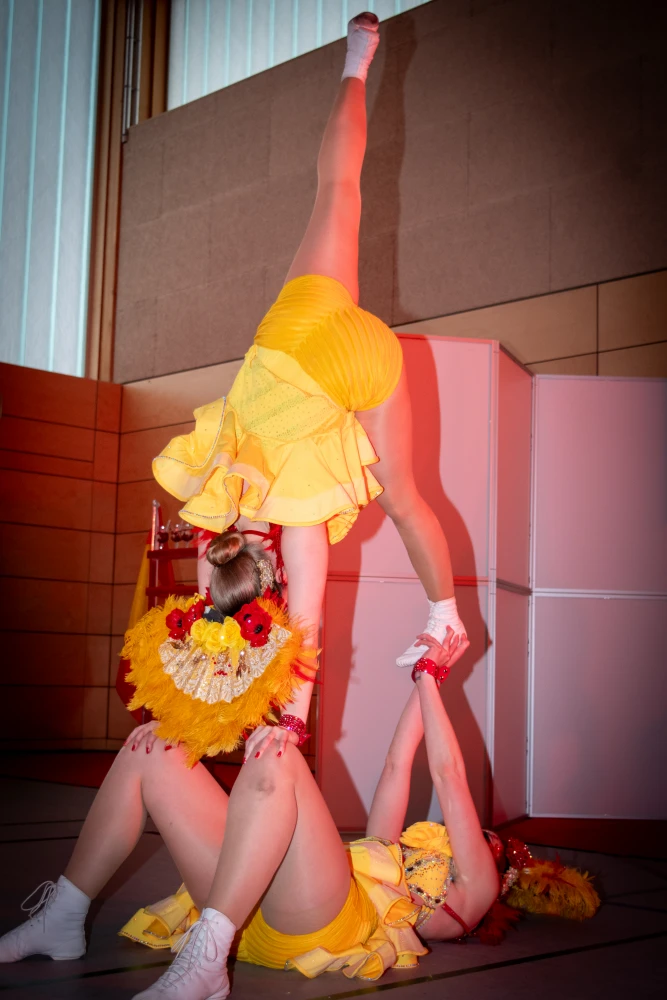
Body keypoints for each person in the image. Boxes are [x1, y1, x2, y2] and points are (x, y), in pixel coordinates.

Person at [152, 12, 469, 766]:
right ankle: (356, 62)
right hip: (295, 333)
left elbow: (308, 623)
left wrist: (288, 723)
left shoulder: (296, 518)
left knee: (403, 498)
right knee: (337, 188)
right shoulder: (220, 507)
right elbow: (212, 597)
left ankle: (446, 615)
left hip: (357, 360)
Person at [0, 627, 501, 998]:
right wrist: (426, 674)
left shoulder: (476, 890)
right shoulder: (385, 857)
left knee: (279, 752)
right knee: (151, 747)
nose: (480, 838)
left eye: (491, 844)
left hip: (318, 928)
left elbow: (449, 776)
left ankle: (206, 964)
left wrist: (432, 678)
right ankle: (63, 916)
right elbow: (397, 765)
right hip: (240, 913)